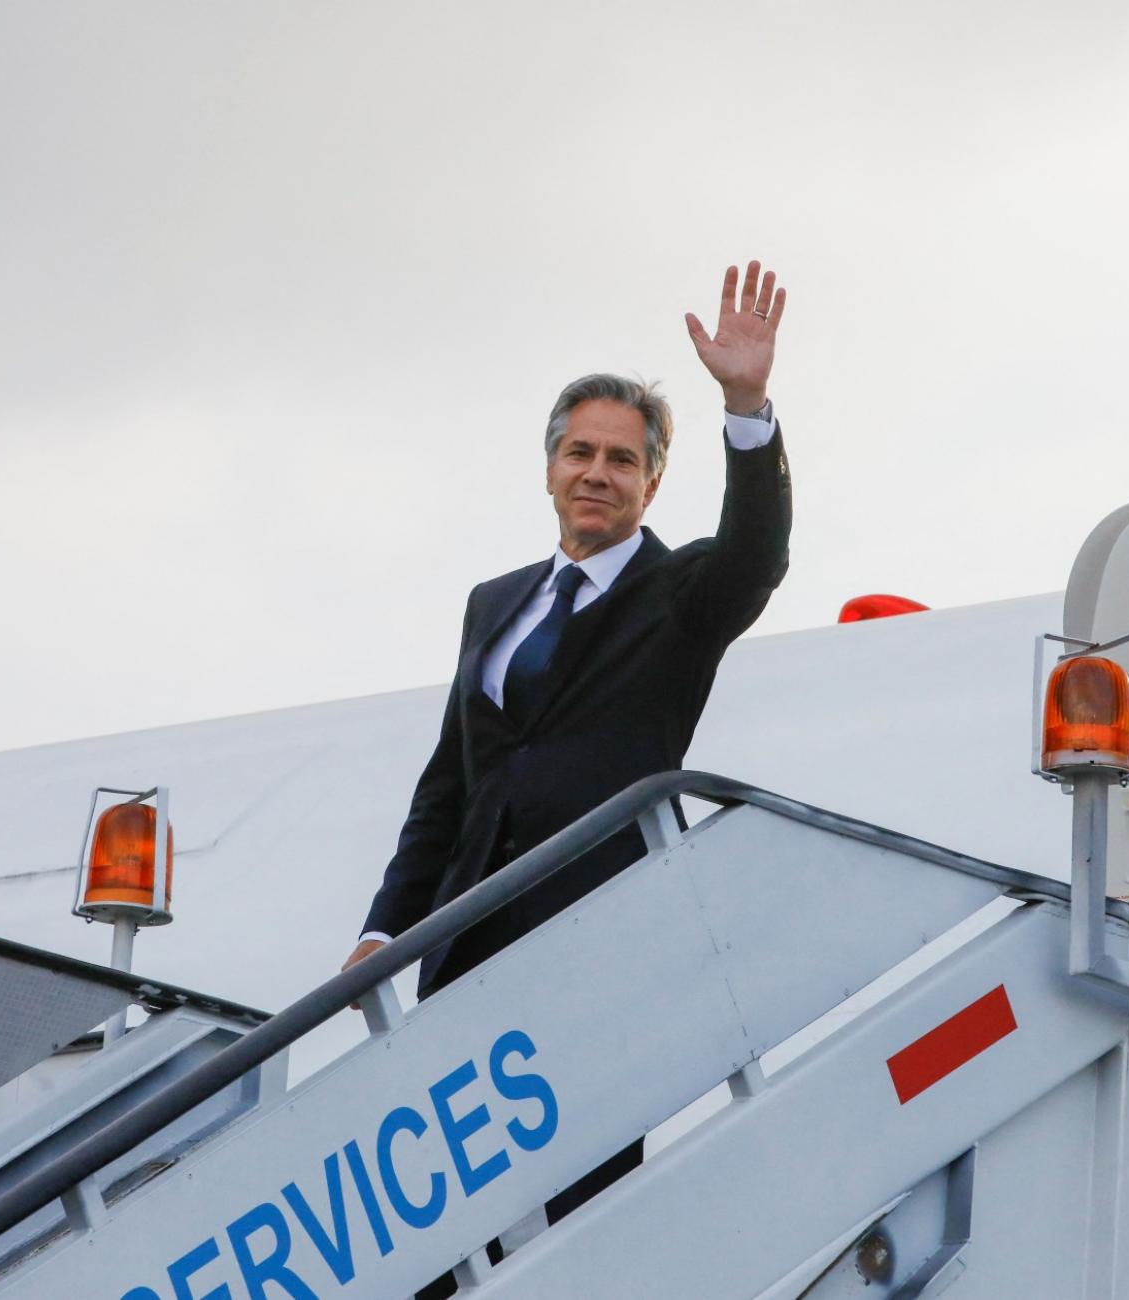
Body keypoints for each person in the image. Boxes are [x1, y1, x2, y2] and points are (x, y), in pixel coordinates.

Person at [342, 260, 792, 1289]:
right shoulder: (492, 602)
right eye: (579, 453)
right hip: (466, 946)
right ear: (549, 468)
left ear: (651, 482)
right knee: (436, 1214)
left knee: (584, 1209)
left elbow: (756, 553)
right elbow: (446, 790)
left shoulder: (680, 596)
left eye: (621, 460)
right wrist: (383, 926)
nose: (596, 472)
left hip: (597, 950)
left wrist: (746, 406)